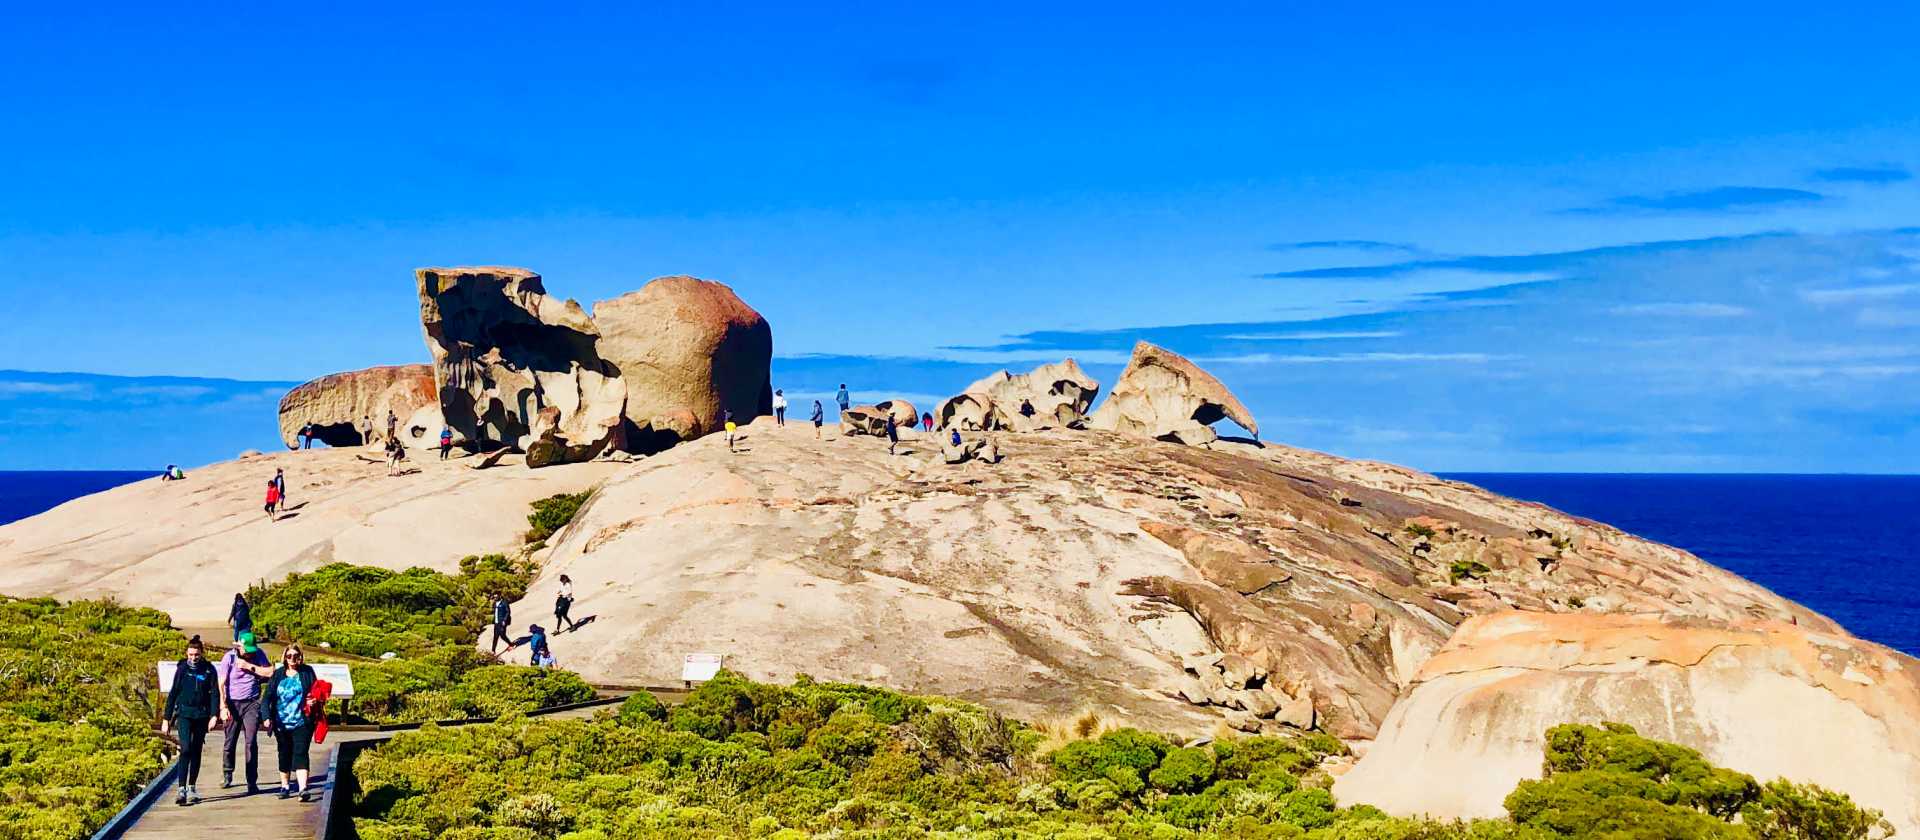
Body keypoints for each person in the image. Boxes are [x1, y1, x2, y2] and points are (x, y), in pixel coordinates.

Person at [162, 635, 220, 806]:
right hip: (185, 715)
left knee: (196, 750)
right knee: (185, 748)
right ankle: (181, 789)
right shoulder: (182, 669)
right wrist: (166, 718)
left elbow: (215, 693)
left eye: (196, 655)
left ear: (201, 653)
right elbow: (173, 694)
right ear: (187, 654)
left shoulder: (209, 670)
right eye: (190, 655)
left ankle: (192, 787)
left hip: (201, 715)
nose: (193, 658)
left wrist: (214, 715)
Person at [260, 643, 319, 801]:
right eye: (289, 656)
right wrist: (266, 717)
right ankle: (285, 786)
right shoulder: (278, 674)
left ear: (300, 657)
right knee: (284, 753)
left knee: (301, 753)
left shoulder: (307, 672)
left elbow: (316, 692)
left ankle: (303, 789)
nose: (292, 659)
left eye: (296, 656)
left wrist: (313, 701)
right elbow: (266, 698)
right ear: (285, 657)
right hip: (281, 722)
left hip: (302, 721)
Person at [217, 631, 273, 793]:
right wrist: (223, 706)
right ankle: (227, 773)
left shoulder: (258, 654)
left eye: (250, 650)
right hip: (232, 703)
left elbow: (270, 672)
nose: (248, 653)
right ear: (238, 646)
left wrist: (249, 666)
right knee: (230, 741)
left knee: (251, 742)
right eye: (245, 649)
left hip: (252, 703)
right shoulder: (229, 657)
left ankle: (251, 781)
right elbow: (221, 683)